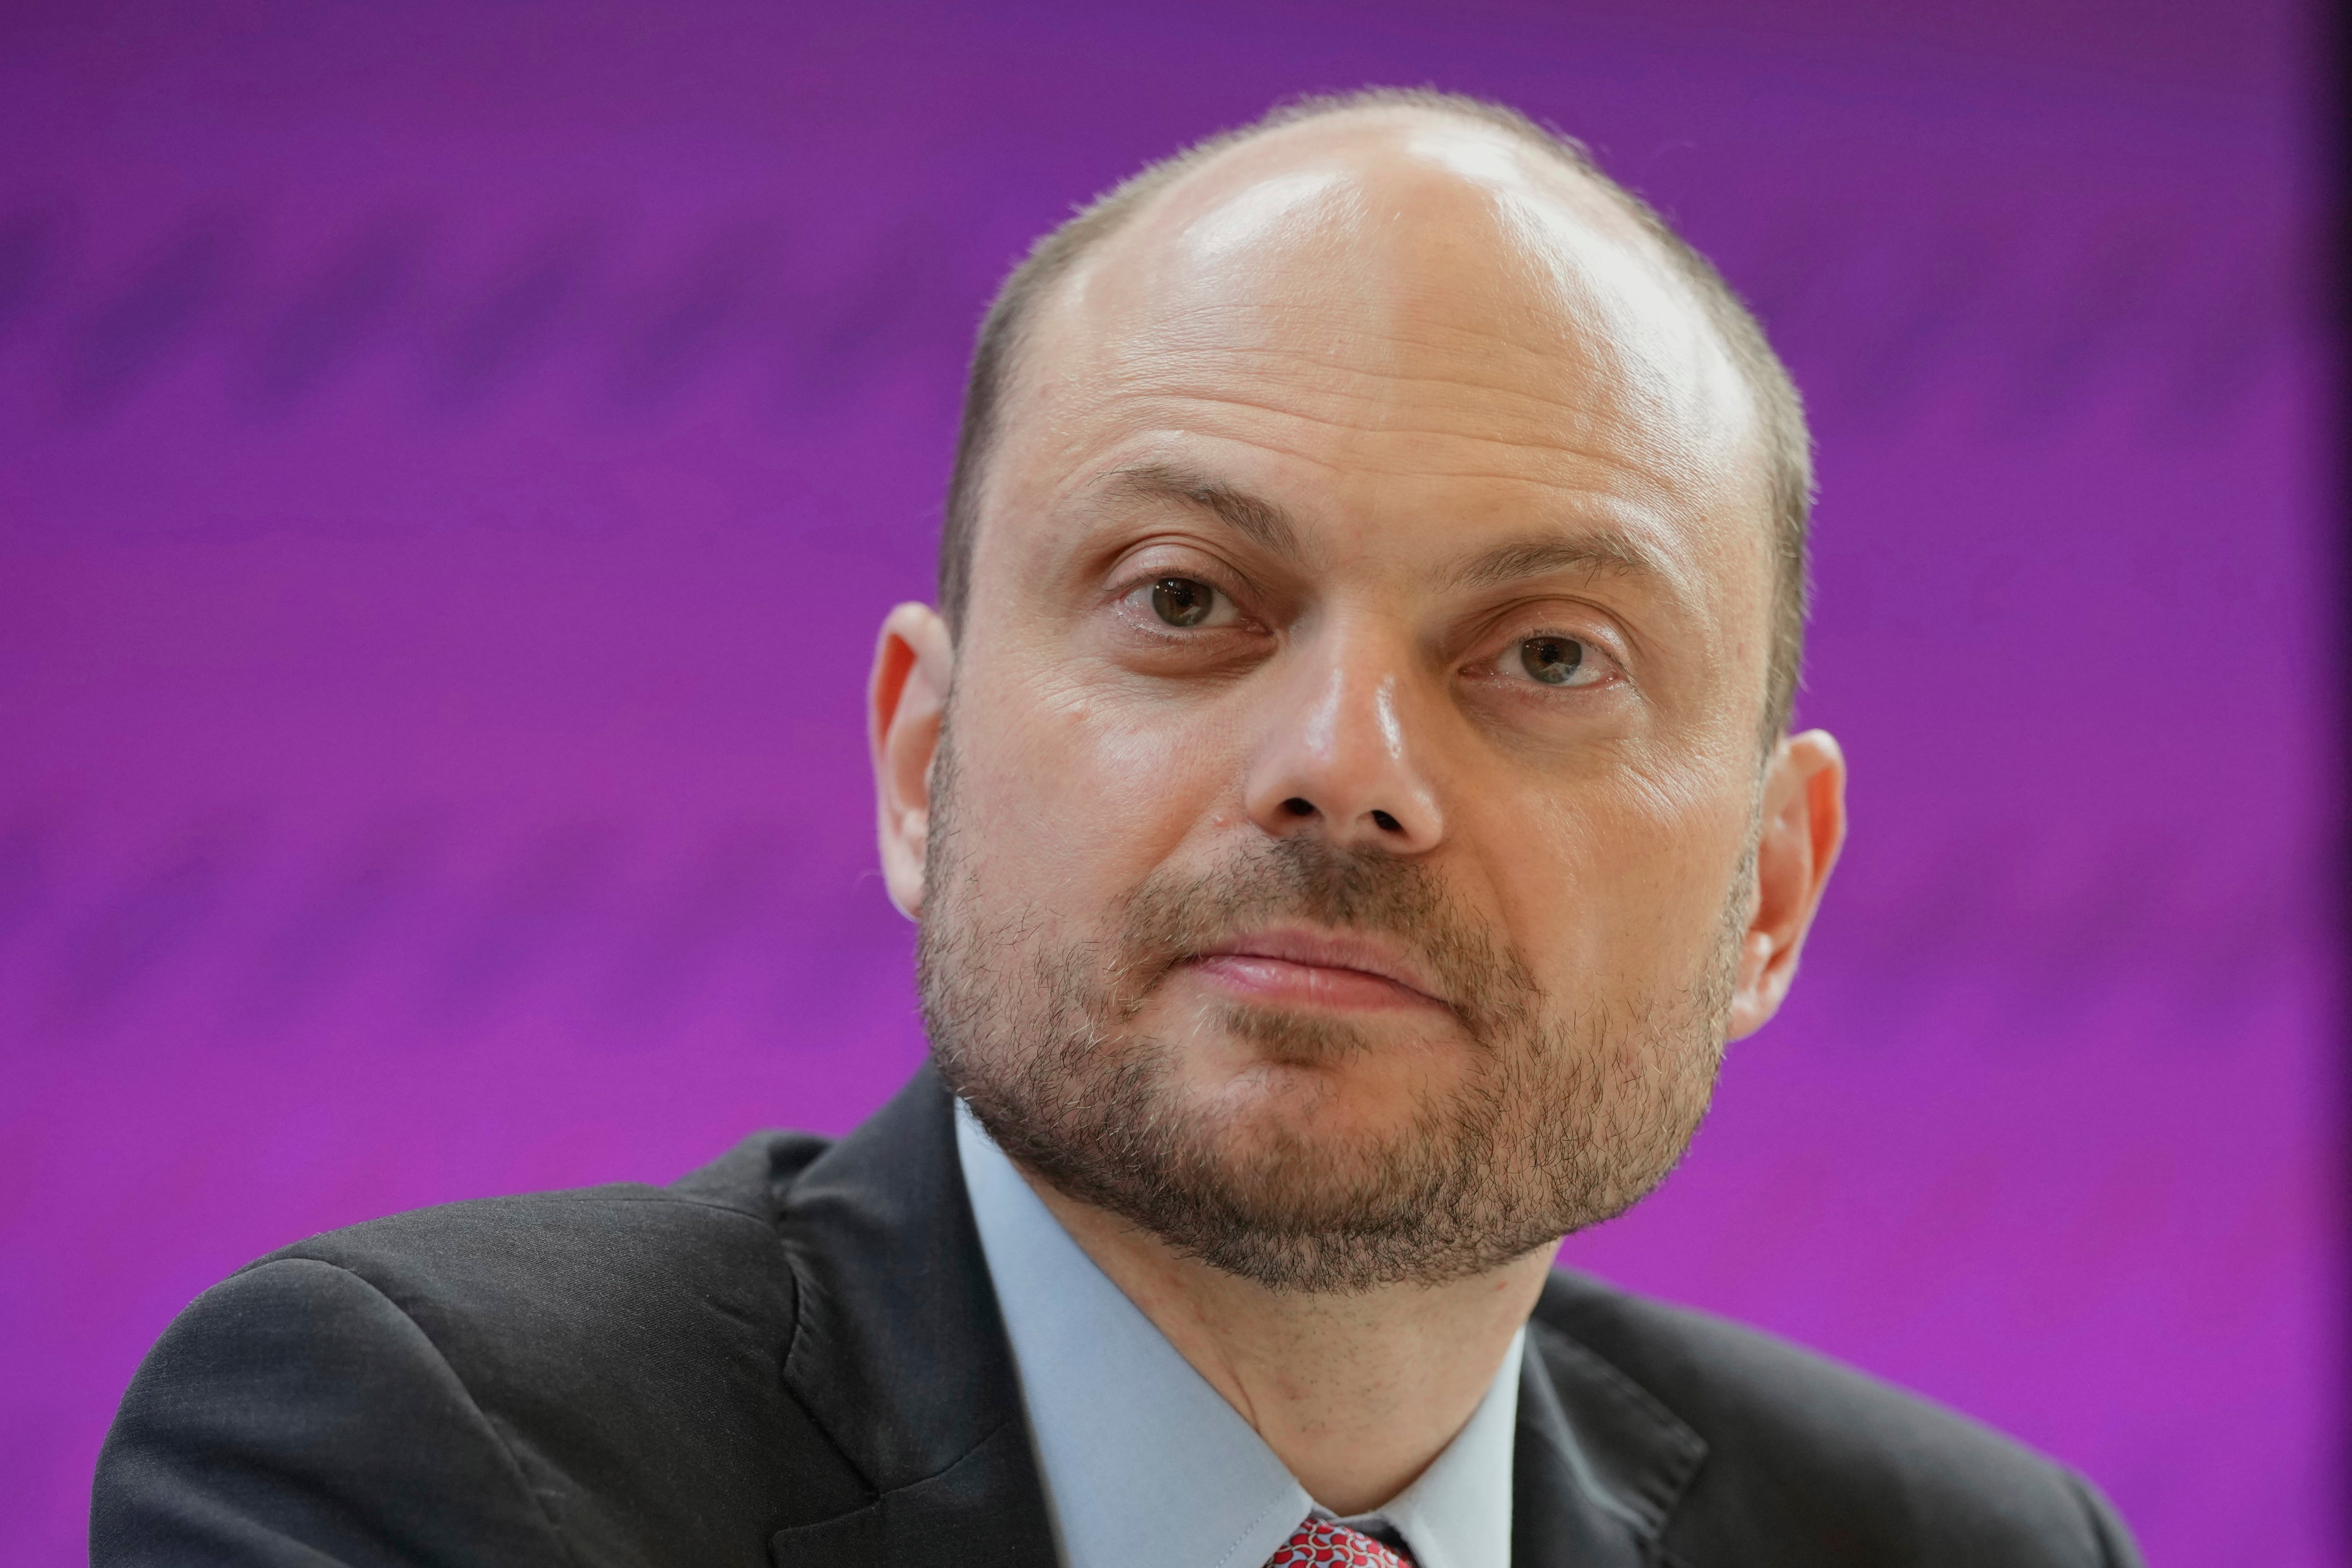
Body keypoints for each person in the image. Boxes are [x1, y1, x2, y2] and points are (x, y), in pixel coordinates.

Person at [92, 88, 2143, 1567]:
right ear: (925, 759)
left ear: (1770, 895)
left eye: (1545, 654)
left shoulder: (1974, 1547)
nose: (1347, 764)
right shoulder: (406, 1461)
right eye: (1186, 599)